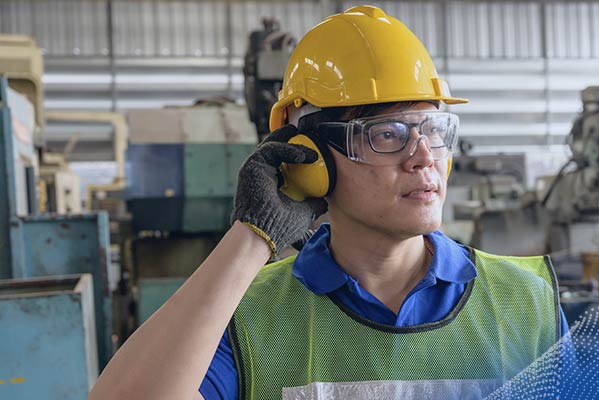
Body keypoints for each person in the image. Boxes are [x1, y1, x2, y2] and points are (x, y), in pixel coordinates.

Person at [90, 6, 571, 400]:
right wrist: (252, 235)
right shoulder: (247, 319)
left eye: (434, 130)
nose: (424, 157)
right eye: (388, 134)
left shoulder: (527, 304)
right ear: (310, 157)